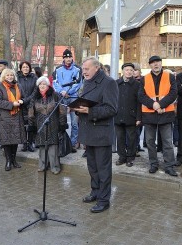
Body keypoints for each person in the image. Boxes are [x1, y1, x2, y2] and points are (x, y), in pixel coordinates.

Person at [73, 56, 118, 213]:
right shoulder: (87, 82)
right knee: (92, 167)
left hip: (101, 132)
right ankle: (95, 191)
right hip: (88, 131)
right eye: (83, 69)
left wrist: (90, 111)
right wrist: (78, 107)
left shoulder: (109, 83)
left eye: (86, 69)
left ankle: (104, 200)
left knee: (103, 169)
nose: (83, 72)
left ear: (96, 68)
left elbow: (112, 109)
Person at [138, 55, 178, 176]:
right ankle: (153, 164)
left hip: (165, 114)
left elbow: (173, 93)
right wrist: (153, 105)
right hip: (149, 115)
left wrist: (160, 105)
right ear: (150, 65)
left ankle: (169, 166)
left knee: (167, 142)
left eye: (158, 62)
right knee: (150, 142)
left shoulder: (170, 76)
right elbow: (141, 95)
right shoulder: (144, 79)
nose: (156, 64)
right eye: (153, 63)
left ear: (161, 63)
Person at [28, 76, 68, 174]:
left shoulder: (55, 95)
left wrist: (63, 123)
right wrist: (31, 125)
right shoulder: (34, 97)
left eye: (44, 84)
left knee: (53, 146)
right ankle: (42, 166)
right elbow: (31, 112)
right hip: (40, 124)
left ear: (48, 85)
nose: (42, 86)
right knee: (42, 146)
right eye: (40, 84)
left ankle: (55, 167)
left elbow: (62, 110)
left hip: (54, 124)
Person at [0, 68, 26, 171]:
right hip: (4, 117)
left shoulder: (18, 86)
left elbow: (24, 97)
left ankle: (13, 160)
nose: (10, 77)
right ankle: (8, 161)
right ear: (3, 76)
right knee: (7, 140)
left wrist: (21, 101)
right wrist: (12, 104)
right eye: (7, 75)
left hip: (17, 116)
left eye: (11, 75)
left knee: (15, 139)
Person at [53, 49, 82, 152]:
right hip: (62, 98)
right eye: (66, 57)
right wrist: (62, 91)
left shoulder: (77, 69)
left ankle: (73, 143)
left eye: (70, 57)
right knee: (62, 121)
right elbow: (55, 82)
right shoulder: (58, 69)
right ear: (63, 58)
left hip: (73, 98)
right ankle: (62, 142)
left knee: (74, 123)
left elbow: (78, 83)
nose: (68, 59)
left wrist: (69, 91)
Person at [114, 62, 141, 167]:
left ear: (133, 72)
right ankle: (122, 157)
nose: (129, 72)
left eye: (131, 70)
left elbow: (139, 102)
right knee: (120, 138)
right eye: (127, 70)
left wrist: (139, 117)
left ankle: (130, 157)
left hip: (132, 116)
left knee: (131, 138)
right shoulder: (116, 83)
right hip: (118, 115)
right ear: (122, 71)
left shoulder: (137, 85)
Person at [17, 61, 37, 152]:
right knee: (23, 125)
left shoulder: (34, 78)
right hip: (20, 104)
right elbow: (16, 90)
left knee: (31, 124)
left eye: (27, 67)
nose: (25, 68)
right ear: (21, 68)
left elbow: (35, 91)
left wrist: (26, 100)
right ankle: (24, 144)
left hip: (31, 104)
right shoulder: (17, 78)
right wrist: (22, 100)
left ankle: (30, 143)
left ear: (30, 68)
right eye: (24, 67)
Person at [133, 62, 145, 153]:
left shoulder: (143, 80)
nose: (133, 72)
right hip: (133, 108)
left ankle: (137, 146)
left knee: (139, 129)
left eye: (135, 70)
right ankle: (134, 147)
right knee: (134, 130)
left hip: (142, 108)